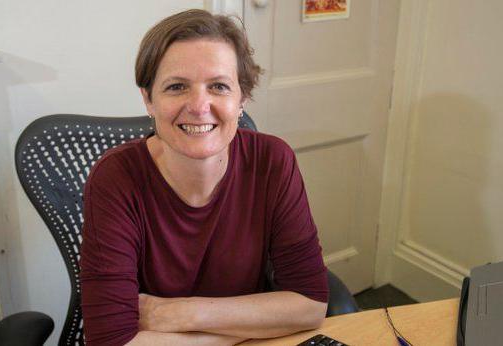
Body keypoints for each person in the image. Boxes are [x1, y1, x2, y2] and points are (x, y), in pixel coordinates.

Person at [80, 9, 329, 345]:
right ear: (148, 99)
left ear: (242, 98)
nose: (199, 106)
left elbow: (309, 305)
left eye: (219, 86)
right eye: (177, 86)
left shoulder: (273, 160)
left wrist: (183, 313)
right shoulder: (116, 177)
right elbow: (111, 340)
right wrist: (237, 333)